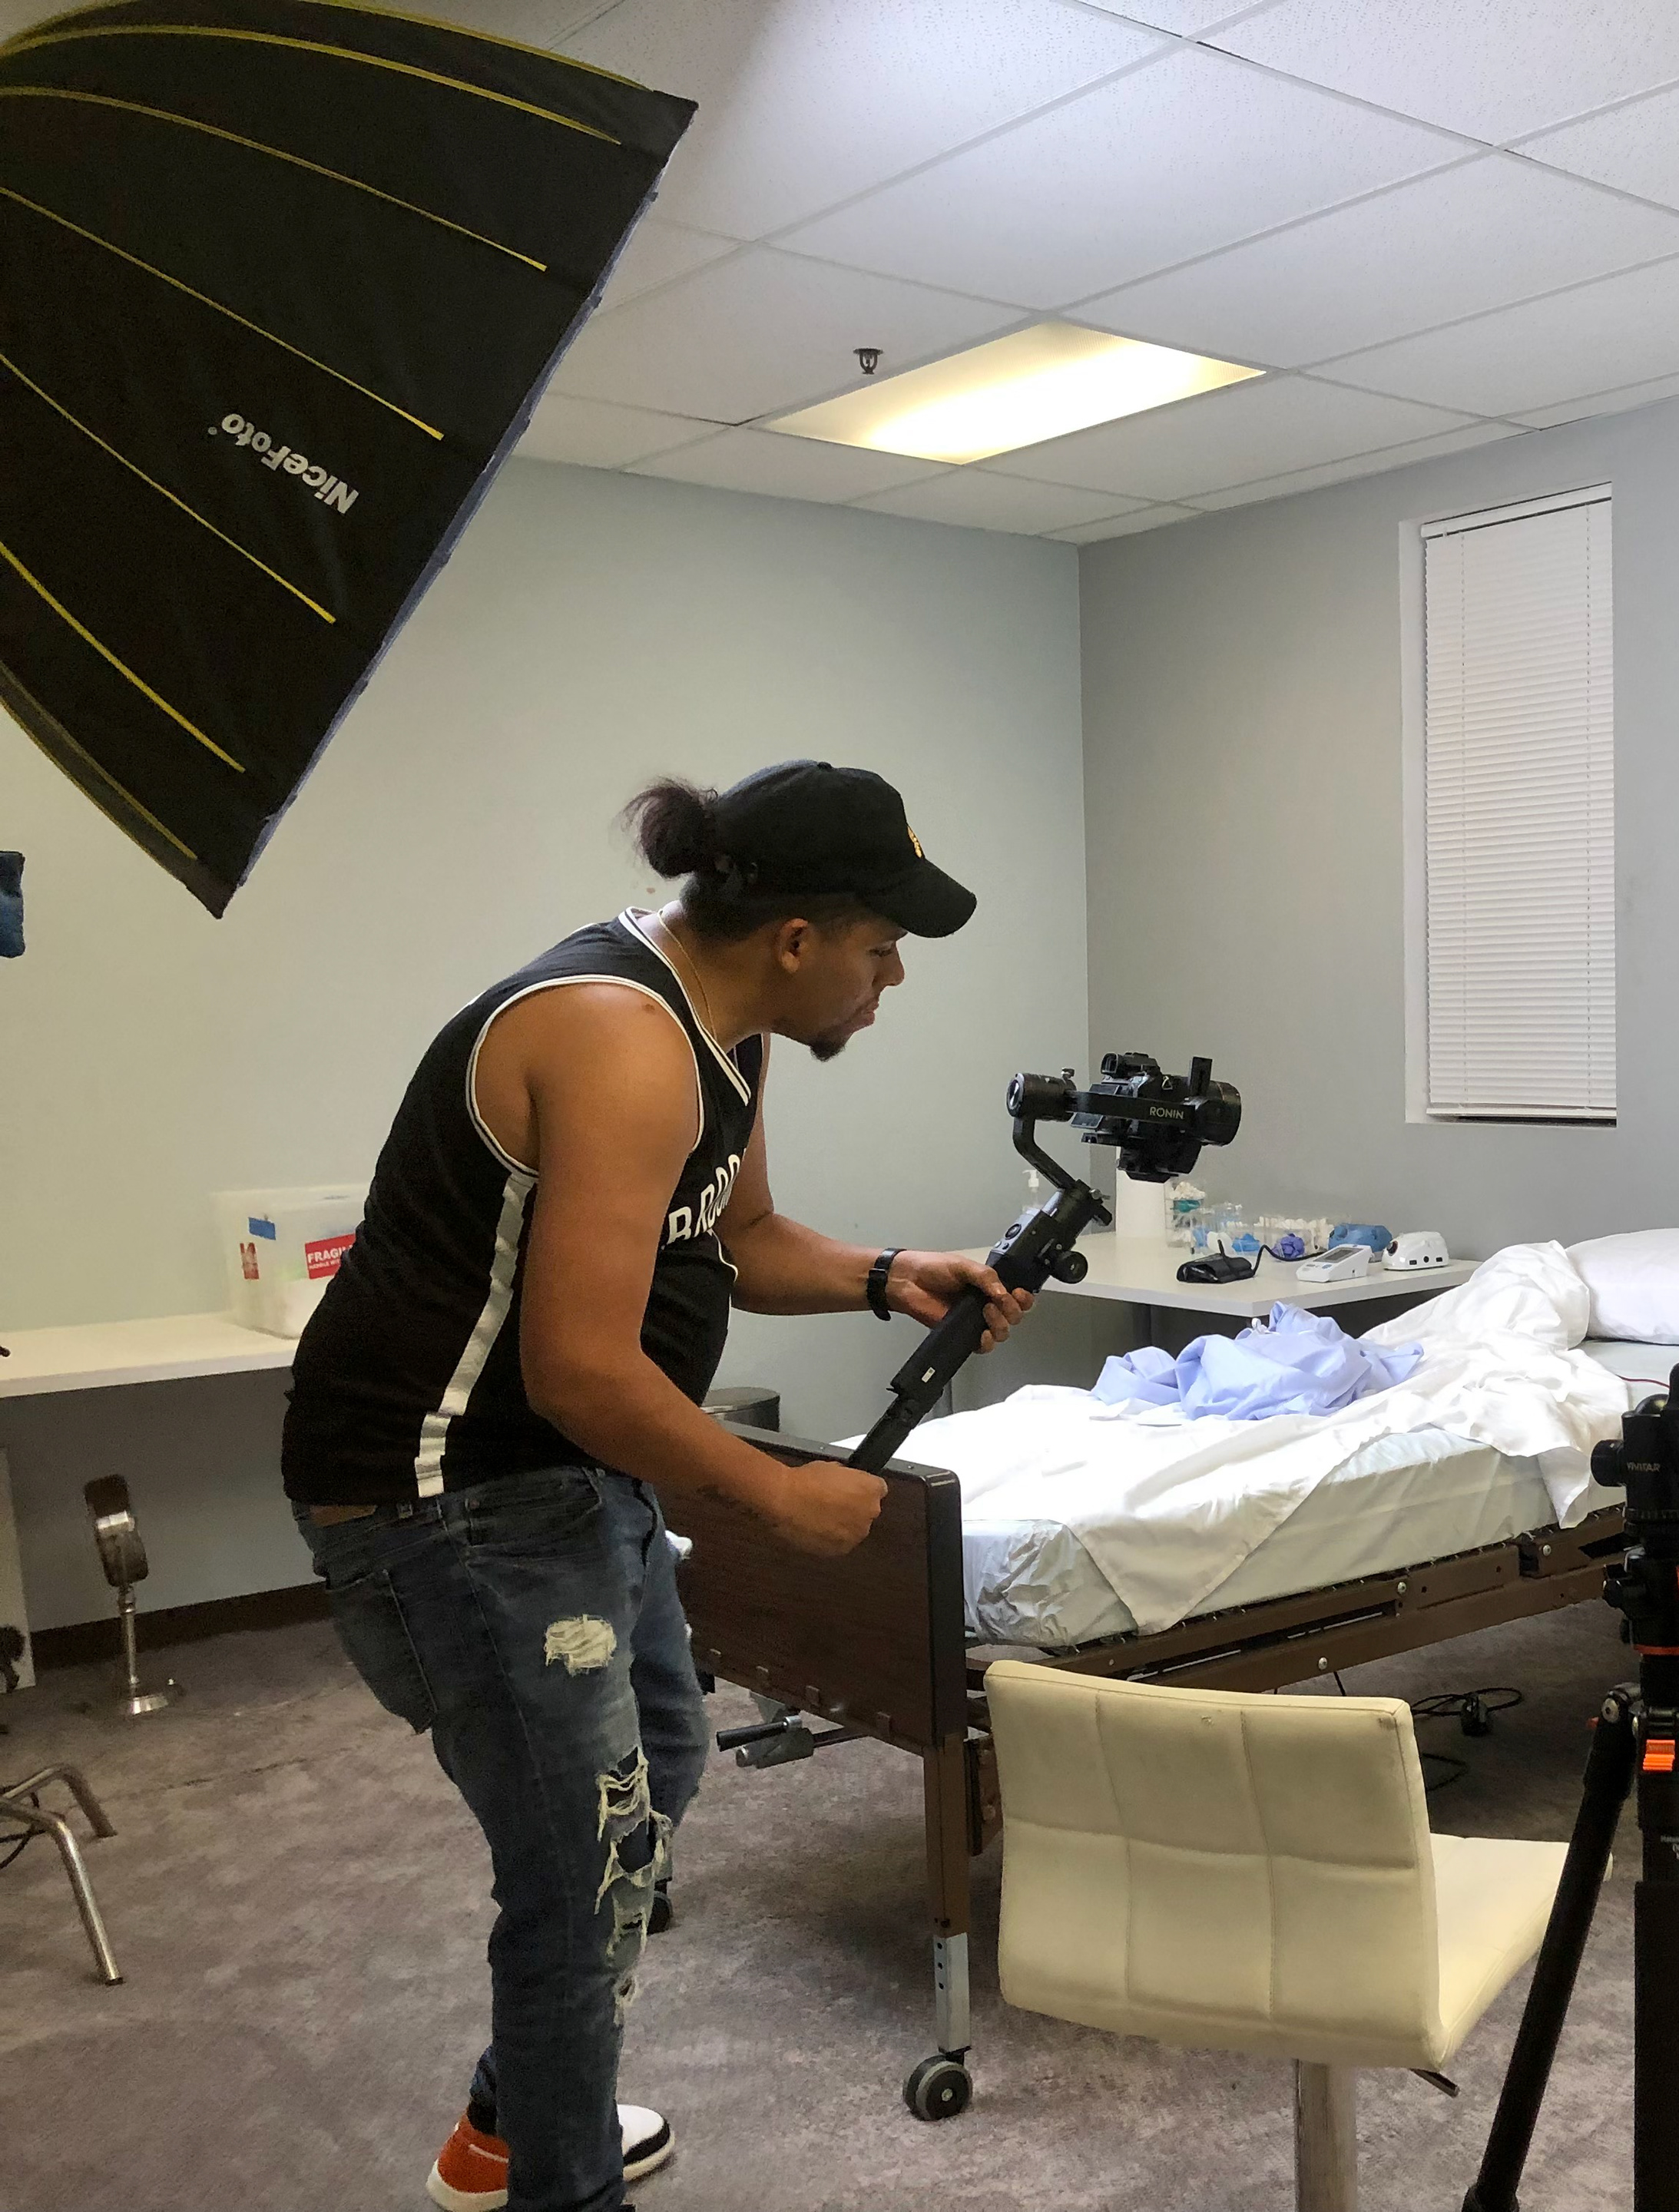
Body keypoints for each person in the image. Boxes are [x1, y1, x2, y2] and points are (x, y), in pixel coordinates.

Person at [280, 762, 1032, 2212]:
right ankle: (556, 2178)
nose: (893, 979)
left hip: (570, 1470)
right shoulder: (619, 1037)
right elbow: (576, 1365)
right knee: (583, 1867)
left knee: (659, 1768)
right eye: (883, 948)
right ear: (797, 938)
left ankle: (511, 2118)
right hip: (448, 1494)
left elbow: (739, 1237)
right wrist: (774, 1496)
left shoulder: (725, 1027)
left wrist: (890, 1274)